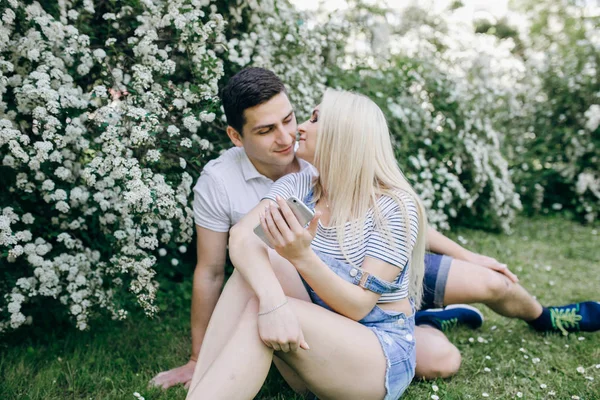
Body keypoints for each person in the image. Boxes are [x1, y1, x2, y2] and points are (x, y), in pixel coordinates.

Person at [150, 67, 600, 388]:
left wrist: (467, 254)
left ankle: (543, 318)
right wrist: (260, 309)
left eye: (296, 120)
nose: (290, 136)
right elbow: (226, 257)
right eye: (269, 130)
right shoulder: (287, 180)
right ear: (237, 136)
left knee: (489, 284)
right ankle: (422, 321)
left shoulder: (383, 202)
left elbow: (407, 226)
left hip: (366, 286)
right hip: (324, 289)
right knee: (258, 272)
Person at [186, 87, 427, 399]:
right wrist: (273, 302)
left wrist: (301, 258)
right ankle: (199, 388)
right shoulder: (298, 184)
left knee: (263, 301)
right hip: (317, 345)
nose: (300, 127)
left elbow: (358, 307)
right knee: (260, 267)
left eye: (315, 119)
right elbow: (242, 238)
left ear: (343, 135)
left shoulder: (394, 206)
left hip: (376, 355)